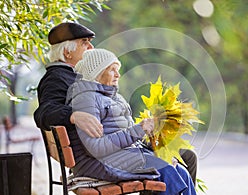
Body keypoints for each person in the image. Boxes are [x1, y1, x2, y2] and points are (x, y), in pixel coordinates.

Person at [33, 22, 198, 185]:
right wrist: (72, 115)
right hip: (101, 155)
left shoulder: (78, 76)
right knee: (170, 164)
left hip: (116, 146)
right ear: (67, 52)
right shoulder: (57, 78)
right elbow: (43, 113)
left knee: (187, 156)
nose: (91, 47)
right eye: (84, 43)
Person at [66, 48, 198, 195]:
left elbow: (127, 137)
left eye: (118, 70)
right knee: (167, 170)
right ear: (96, 73)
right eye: (112, 70)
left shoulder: (114, 98)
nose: (118, 74)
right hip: (98, 162)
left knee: (178, 170)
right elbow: (95, 148)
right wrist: (139, 129)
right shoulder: (86, 99)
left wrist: (155, 142)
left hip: (120, 156)